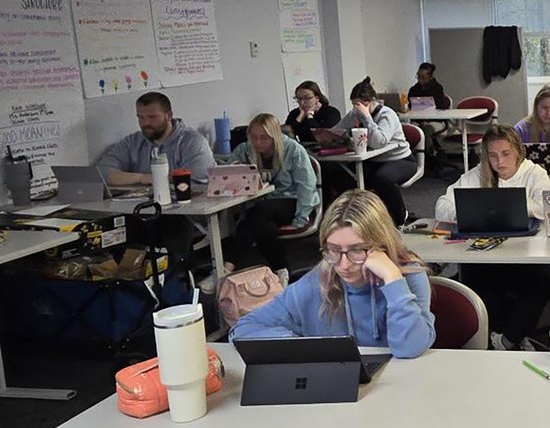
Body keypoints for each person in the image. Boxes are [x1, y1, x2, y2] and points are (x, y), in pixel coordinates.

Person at [230, 190, 465, 428]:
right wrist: (316, 349)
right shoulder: (317, 281)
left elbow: (409, 346)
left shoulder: (407, 277)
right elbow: (247, 327)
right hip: (343, 405)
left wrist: (390, 279)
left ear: (380, 246)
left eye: (356, 251)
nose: (342, 263)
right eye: (332, 250)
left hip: (404, 408)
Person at [434, 125, 550, 351]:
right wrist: (471, 211)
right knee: (480, 285)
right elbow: (442, 205)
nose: (499, 162)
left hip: (525, 255)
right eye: (492, 155)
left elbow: (547, 208)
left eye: (506, 154)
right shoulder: (479, 174)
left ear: (518, 151)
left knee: (541, 280)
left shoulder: (534, 173)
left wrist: (515, 205)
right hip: (486, 255)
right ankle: (504, 336)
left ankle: (508, 340)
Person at [95, 91, 216, 263]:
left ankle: (174, 276)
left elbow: (197, 183)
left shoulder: (192, 141)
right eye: (140, 118)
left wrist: (156, 182)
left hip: (184, 216)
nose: (145, 124)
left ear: (169, 115)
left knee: (171, 223)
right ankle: (131, 275)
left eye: (152, 117)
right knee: (115, 225)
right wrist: (143, 178)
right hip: (142, 211)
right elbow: (103, 173)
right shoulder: (133, 142)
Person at [203, 113, 319, 289]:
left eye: (264, 138)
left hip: (293, 201)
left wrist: (301, 218)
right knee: (264, 227)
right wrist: (237, 170)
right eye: (254, 137)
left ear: (275, 136)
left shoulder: (294, 150)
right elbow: (229, 172)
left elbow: (307, 186)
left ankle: (225, 268)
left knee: (258, 213)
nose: (258, 143)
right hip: (263, 206)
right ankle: (282, 271)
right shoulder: (245, 149)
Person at [328, 77, 417, 225]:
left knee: (382, 179)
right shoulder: (353, 115)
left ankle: (400, 216)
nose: (358, 108)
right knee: (342, 176)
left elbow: (378, 142)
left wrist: (368, 118)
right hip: (372, 160)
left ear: (372, 101)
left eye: (362, 104)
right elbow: (335, 132)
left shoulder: (387, 115)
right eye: (355, 104)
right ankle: (357, 216)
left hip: (400, 159)